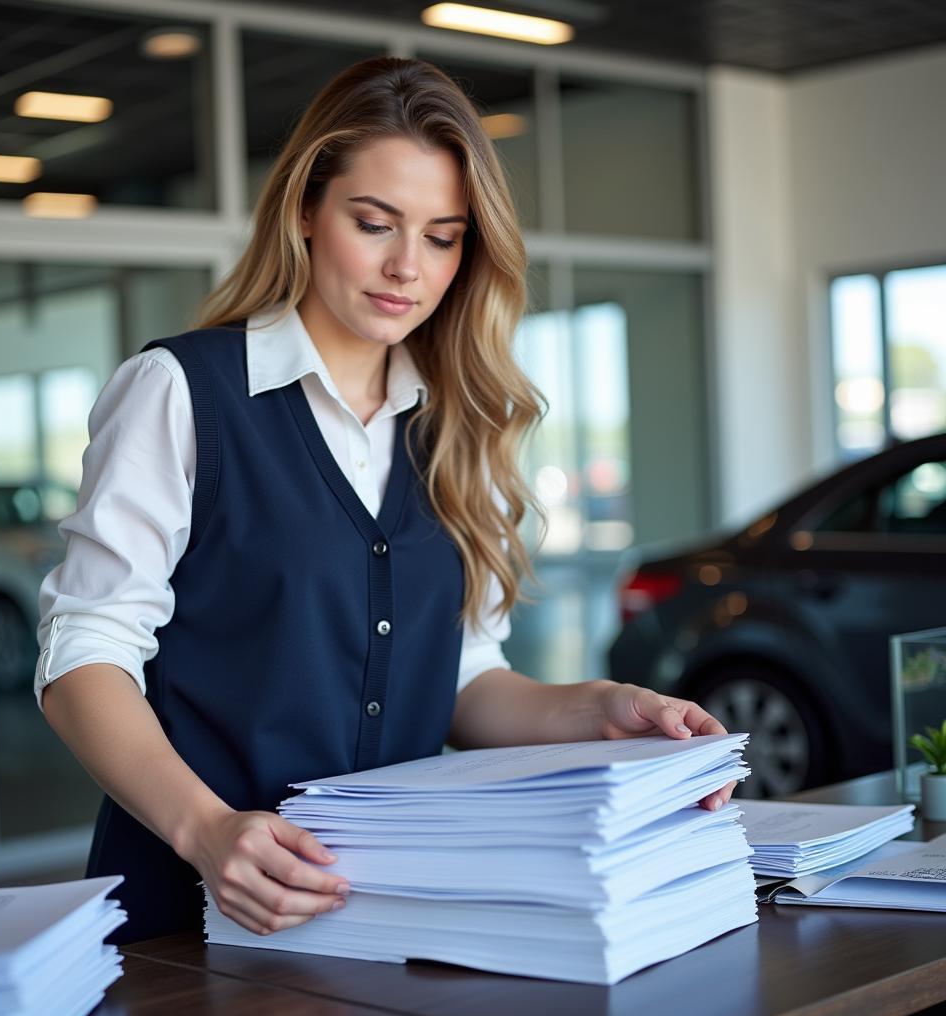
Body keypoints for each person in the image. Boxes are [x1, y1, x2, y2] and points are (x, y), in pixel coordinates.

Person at [36, 57, 735, 946]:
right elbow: (83, 657)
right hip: (187, 922)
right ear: (304, 212)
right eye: (375, 223)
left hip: (387, 918)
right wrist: (207, 831)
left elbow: (464, 682)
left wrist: (600, 710)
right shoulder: (181, 392)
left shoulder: (455, 428)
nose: (408, 266)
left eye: (443, 237)